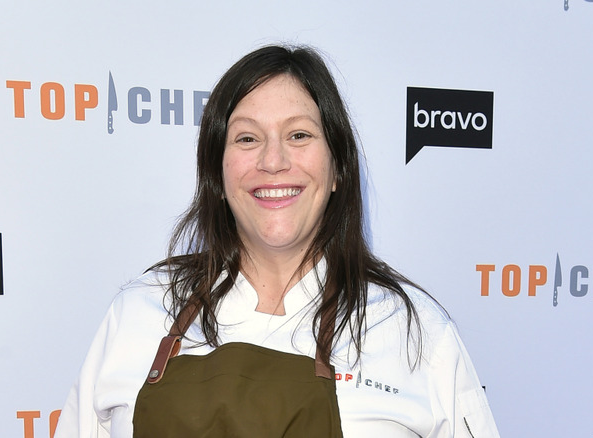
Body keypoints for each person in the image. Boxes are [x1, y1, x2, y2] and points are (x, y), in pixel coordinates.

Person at [54, 45, 500, 438]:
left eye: (299, 135)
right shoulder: (138, 313)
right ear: (218, 173)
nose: (272, 160)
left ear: (337, 168)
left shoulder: (414, 333)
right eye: (248, 138)